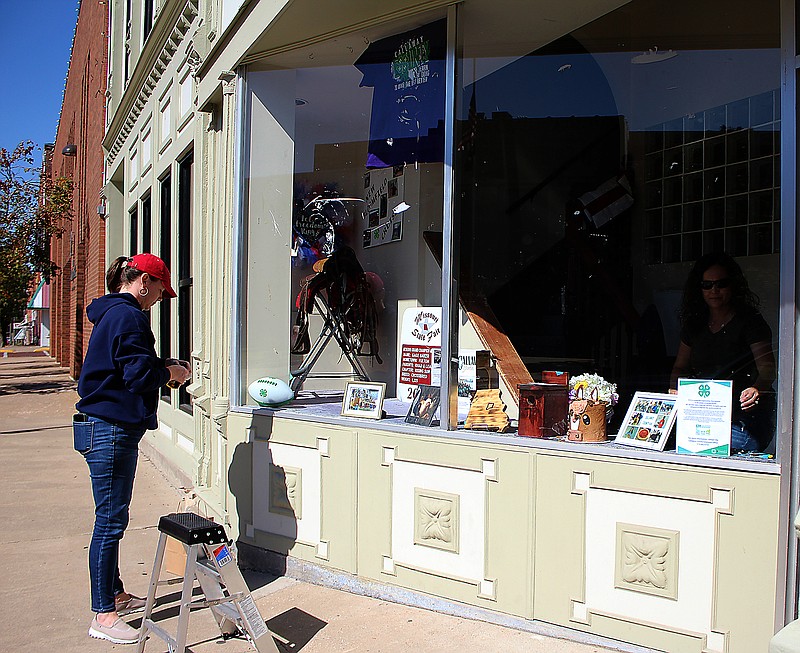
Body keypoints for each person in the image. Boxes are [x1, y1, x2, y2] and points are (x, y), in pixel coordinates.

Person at [73, 253, 191, 644]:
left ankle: (115, 595)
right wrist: (170, 373)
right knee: (109, 522)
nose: (159, 297)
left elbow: (126, 367)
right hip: (109, 430)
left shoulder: (113, 315)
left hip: (103, 427)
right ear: (143, 280)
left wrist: (161, 365)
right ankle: (103, 615)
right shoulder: (128, 317)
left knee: (111, 517)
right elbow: (138, 376)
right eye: (159, 289)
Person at [669, 252, 776, 452]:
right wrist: (675, 388)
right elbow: (680, 367)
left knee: (708, 441)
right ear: (699, 288)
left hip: (744, 421)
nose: (714, 290)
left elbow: (768, 369)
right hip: (702, 415)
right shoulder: (695, 325)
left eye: (721, 284)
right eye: (707, 285)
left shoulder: (750, 322)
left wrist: (756, 389)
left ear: (733, 285)